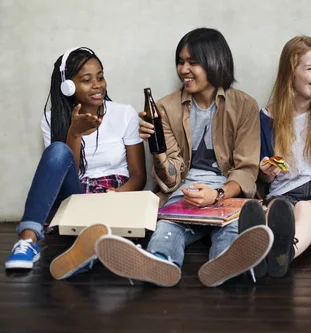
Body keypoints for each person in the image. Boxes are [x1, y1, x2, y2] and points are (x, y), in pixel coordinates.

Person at [95, 28, 273, 287]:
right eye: (180, 61)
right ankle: (158, 263)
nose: (183, 69)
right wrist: (157, 149)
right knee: (166, 229)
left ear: (215, 61)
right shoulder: (165, 108)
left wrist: (217, 195)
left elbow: (246, 169)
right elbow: (171, 177)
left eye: (193, 62)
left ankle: (225, 265)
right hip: (183, 193)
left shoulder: (244, 105)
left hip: (228, 195)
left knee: (232, 231)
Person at [5, 47, 146, 279]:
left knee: (106, 228)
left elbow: (139, 177)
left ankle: (87, 252)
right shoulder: (52, 119)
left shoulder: (124, 114)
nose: (98, 85)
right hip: (76, 196)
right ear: (68, 86)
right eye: (87, 80)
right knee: (58, 150)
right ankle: (27, 241)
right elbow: (70, 171)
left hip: (116, 195)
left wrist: (116, 195)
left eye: (100, 77)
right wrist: (75, 134)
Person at [241, 35, 311, 279]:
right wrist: (266, 171)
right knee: (266, 212)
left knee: (305, 209)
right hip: (283, 194)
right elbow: (265, 178)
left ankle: (284, 254)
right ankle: (255, 255)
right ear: (291, 72)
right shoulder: (266, 118)